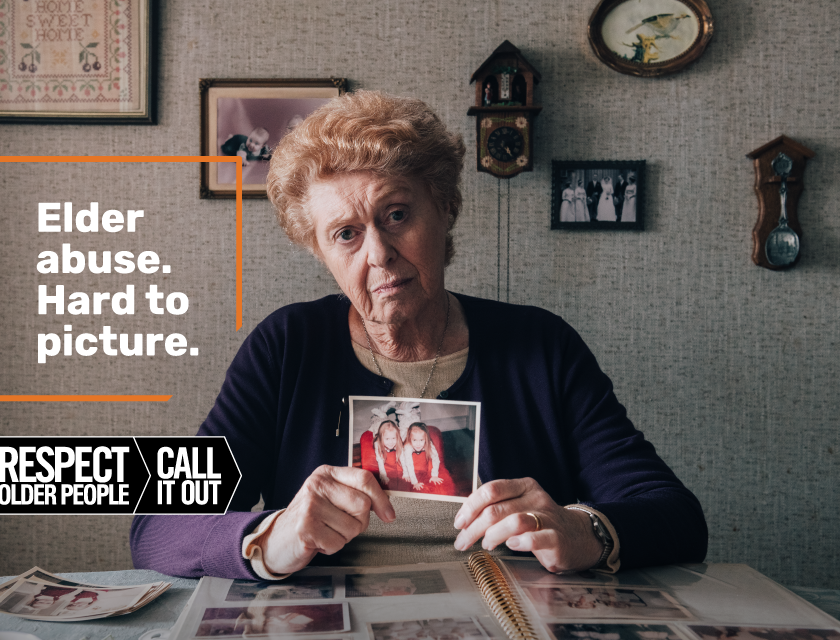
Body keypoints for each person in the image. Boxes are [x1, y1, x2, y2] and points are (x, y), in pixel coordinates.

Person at [130, 90, 706, 581]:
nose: (379, 253)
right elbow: (158, 528)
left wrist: (586, 530)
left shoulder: (541, 346)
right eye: (346, 234)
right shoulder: (287, 346)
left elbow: (674, 516)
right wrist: (269, 539)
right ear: (319, 251)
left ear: (445, 208)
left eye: (398, 214)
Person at [401, 422, 457, 495]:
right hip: (404, 445)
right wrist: (414, 482)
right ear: (410, 439)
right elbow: (409, 464)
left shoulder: (429, 444)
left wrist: (434, 475)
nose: (418, 444)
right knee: (402, 455)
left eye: (421, 440)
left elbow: (436, 459)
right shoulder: (407, 446)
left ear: (426, 439)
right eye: (414, 440)